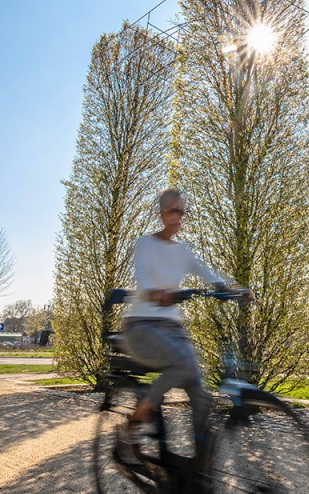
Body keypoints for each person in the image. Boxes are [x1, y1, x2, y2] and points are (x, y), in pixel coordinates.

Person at [116, 188, 238, 468]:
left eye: (181, 211)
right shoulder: (144, 244)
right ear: (161, 213)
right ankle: (133, 425)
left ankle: (200, 469)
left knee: (201, 392)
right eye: (173, 210)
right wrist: (158, 293)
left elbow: (208, 273)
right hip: (141, 327)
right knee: (184, 364)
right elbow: (144, 280)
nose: (178, 216)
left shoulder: (183, 251)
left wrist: (232, 288)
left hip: (172, 330)